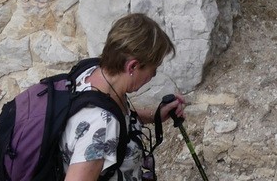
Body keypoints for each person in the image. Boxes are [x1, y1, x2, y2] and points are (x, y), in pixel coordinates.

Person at [61, 13, 186, 181]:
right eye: (153, 69)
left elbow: (119, 117)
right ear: (132, 66)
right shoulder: (100, 126)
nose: (153, 76)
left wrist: (154, 115)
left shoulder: (93, 71)